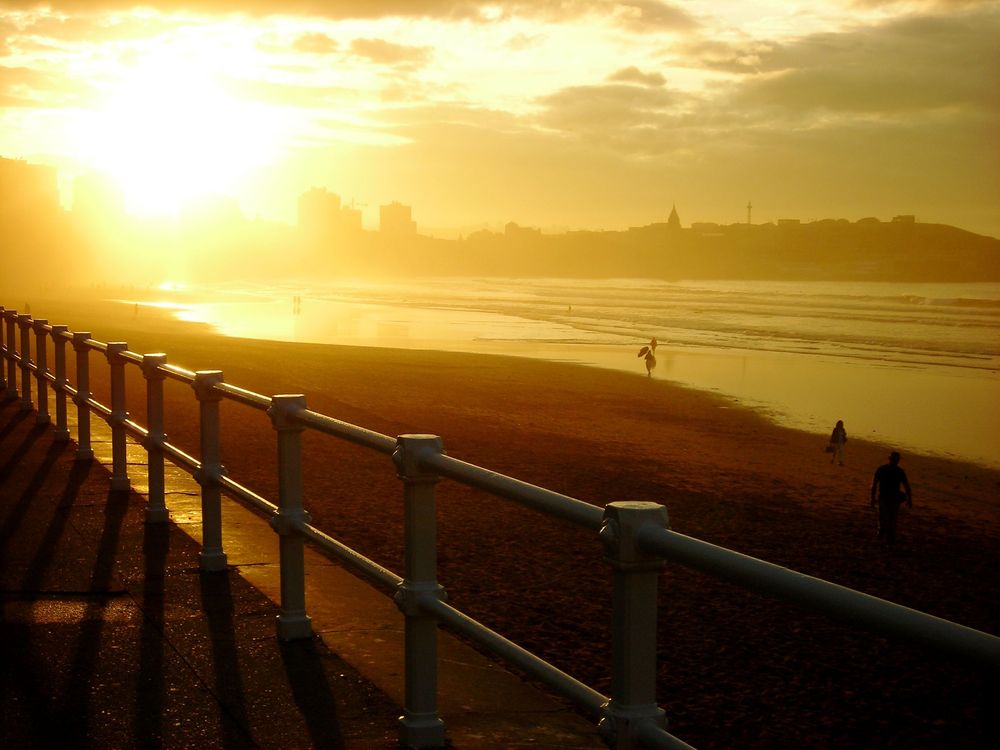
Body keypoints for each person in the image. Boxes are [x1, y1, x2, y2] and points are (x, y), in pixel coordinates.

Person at [870, 451, 912, 545]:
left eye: (896, 459)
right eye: (894, 459)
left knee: (888, 519)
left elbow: (874, 485)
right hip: (887, 498)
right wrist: (909, 499)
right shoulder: (888, 470)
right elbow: (874, 484)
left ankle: (887, 537)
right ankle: (884, 535)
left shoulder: (888, 470)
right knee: (887, 519)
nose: (895, 461)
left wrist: (872, 498)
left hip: (891, 498)